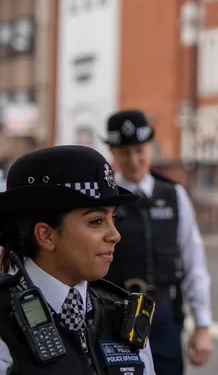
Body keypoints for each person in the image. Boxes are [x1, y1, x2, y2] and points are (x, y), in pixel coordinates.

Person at [0, 144, 157, 374]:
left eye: (114, 219)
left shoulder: (123, 315)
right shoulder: (4, 324)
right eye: (96, 221)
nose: (115, 235)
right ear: (46, 235)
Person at [102, 109, 213, 375]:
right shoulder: (104, 199)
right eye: (125, 152)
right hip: (111, 314)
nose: (134, 159)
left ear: (151, 147)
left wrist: (203, 326)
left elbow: (193, 261)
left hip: (162, 315)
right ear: (113, 154)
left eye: (140, 150)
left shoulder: (174, 196)